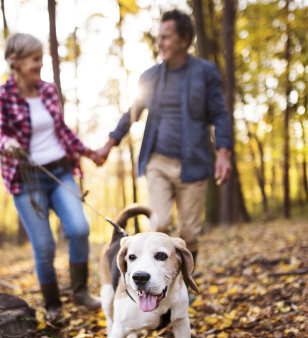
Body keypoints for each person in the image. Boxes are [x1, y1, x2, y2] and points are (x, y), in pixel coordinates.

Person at [95, 9, 232, 264]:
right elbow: (131, 114)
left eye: (166, 37)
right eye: (160, 37)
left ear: (184, 39)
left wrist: (223, 153)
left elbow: (220, 115)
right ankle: (159, 285)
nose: (160, 43)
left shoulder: (206, 72)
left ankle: (184, 280)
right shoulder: (150, 76)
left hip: (194, 164)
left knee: (189, 233)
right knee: (159, 225)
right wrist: (108, 145)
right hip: (157, 161)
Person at [0, 33, 101, 319]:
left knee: (79, 229)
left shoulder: (49, 91)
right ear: (16, 62)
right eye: (35, 59)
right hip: (27, 180)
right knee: (45, 246)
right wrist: (6, 145)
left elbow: (62, 131)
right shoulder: (1, 95)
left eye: (41, 58)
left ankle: (80, 291)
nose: (40, 64)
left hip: (60, 171)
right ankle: (53, 305)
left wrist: (88, 152)